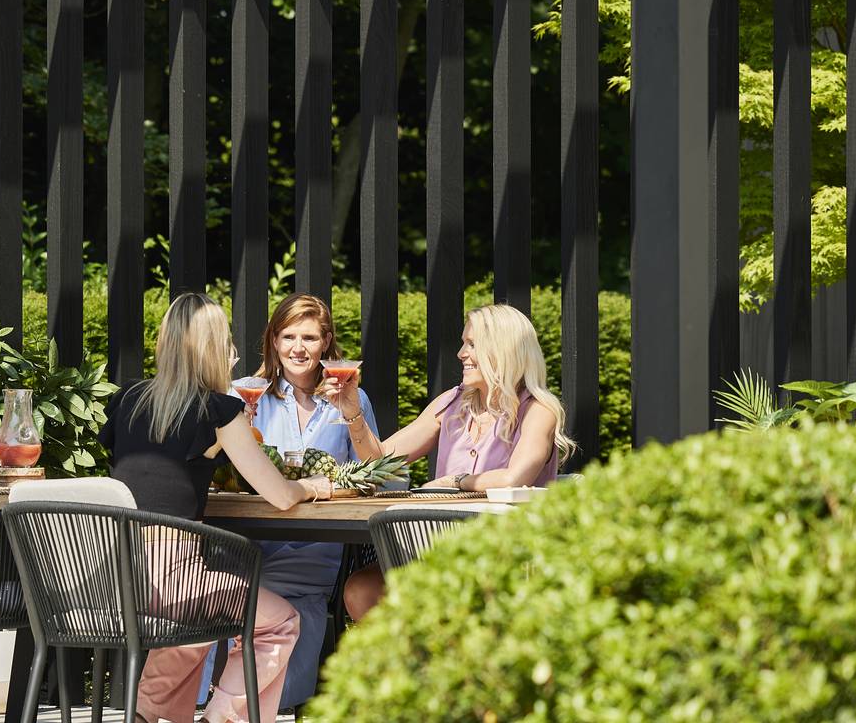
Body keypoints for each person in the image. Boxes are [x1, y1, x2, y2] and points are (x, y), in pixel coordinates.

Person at [99, 292, 332, 723]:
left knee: (198, 622)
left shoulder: (126, 399)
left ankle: (147, 714)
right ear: (214, 348)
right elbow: (279, 494)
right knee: (280, 622)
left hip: (110, 571)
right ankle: (220, 718)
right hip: (169, 576)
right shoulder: (217, 410)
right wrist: (312, 487)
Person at [332, 302, 576, 620]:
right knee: (362, 590)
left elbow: (513, 478)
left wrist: (453, 482)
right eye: (464, 343)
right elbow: (380, 462)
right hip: (438, 550)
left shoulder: (538, 410)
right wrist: (352, 411)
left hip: (505, 558)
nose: (461, 353)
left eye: (472, 344)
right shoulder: (452, 402)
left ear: (503, 350)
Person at [199, 293, 380, 712]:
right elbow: (215, 472)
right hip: (244, 550)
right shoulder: (244, 396)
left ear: (326, 343)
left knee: (278, 673)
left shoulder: (352, 398)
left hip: (310, 558)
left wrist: (351, 413)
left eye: (310, 337)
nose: (298, 348)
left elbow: (378, 474)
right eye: (288, 336)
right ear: (273, 341)